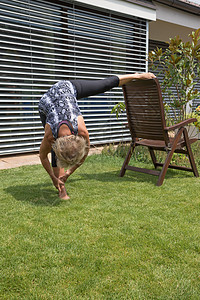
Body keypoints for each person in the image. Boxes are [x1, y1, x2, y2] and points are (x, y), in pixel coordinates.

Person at [38, 72, 156, 200]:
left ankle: (136, 75)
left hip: (67, 88)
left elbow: (85, 153)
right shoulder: (50, 134)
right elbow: (43, 156)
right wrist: (53, 177)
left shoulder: (81, 130)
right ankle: (61, 188)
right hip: (46, 102)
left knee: (104, 84)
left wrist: (69, 173)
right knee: (55, 153)